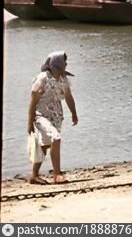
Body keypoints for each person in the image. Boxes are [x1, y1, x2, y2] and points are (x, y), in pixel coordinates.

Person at [27, 51, 78, 184]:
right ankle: (57, 174)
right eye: (64, 62)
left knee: (45, 145)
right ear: (57, 63)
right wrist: (30, 121)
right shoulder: (43, 78)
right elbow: (33, 99)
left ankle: (33, 176)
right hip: (41, 116)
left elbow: (68, 97)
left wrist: (74, 113)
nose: (66, 64)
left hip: (56, 117)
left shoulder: (63, 79)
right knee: (56, 138)